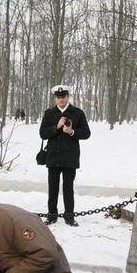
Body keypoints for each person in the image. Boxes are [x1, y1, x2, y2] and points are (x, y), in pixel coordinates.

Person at [39, 84, 91, 226]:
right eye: (58, 97)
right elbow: (42, 133)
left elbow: (87, 133)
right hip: (53, 157)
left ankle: (69, 216)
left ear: (68, 97)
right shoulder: (49, 113)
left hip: (70, 157)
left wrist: (72, 132)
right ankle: (52, 215)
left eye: (64, 97)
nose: (61, 100)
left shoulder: (77, 113)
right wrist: (56, 127)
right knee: (53, 188)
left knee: (68, 188)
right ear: (55, 99)